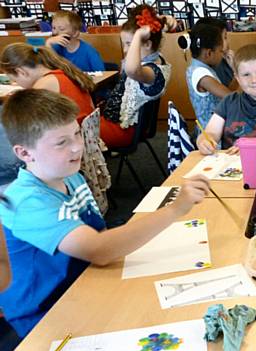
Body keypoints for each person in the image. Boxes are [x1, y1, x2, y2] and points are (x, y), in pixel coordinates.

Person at [0, 89, 209, 338]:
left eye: (76, 133)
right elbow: (98, 249)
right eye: (61, 142)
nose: (77, 147)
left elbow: (100, 240)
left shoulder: (71, 176)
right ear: (24, 153)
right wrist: (175, 209)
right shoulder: (26, 202)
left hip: (86, 284)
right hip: (46, 315)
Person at [100, 5, 171, 148]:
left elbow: (131, 69)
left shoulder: (152, 71)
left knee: (72, 135)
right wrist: (165, 20)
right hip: (114, 121)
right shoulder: (152, 56)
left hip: (122, 129)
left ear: (147, 43)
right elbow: (157, 36)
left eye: (129, 44)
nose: (126, 50)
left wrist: (138, 36)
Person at [0, 42, 95, 123]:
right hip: (89, 135)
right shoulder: (61, 72)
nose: (16, 83)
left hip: (76, 138)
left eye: (15, 80)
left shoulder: (43, 85)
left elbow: (26, 120)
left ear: (21, 72)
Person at [185, 21, 232, 138]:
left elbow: (227, 92)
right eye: (221, 51)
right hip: (213, 134)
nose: (222, 54)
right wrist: (237, 71)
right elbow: (230, 97)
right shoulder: (202, 74)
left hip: (218, 125)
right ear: (209, 53)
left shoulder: (199, 67)